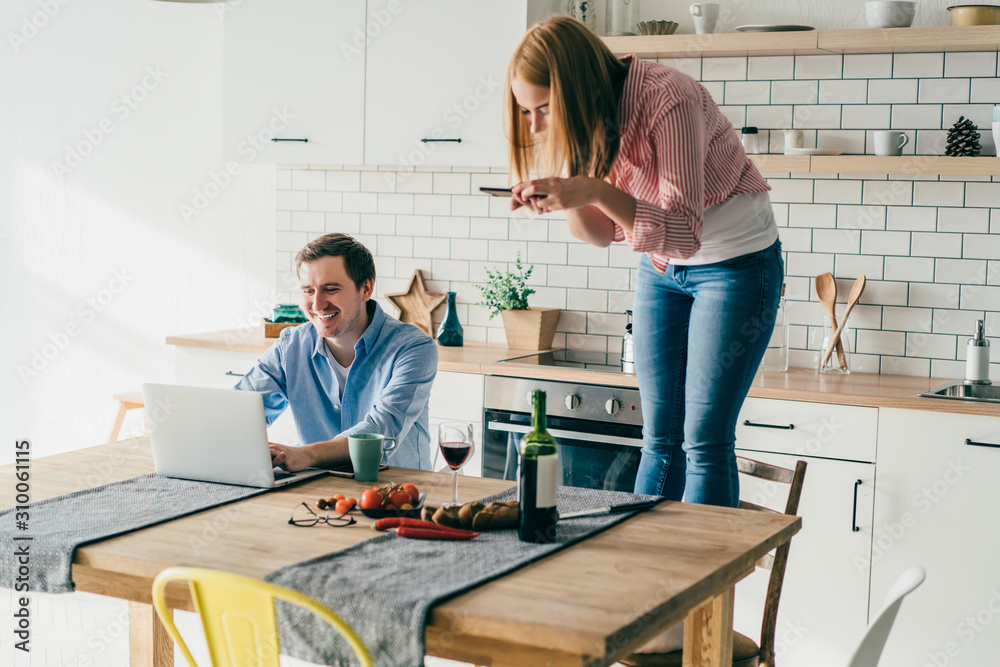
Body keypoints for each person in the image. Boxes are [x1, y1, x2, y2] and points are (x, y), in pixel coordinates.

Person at [504, 15, 783, 510]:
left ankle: (702, 581)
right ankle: (650, 575)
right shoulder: (583, 122)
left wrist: (595, 189)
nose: (537, 127)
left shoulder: (667, 97)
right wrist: (569, 196)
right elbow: (597, 235)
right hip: (659, 268)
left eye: (543, 109)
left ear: (576, 88)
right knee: (658, 436)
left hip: (735, 263)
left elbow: (683, 234)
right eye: (528, 113)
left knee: (703, 440)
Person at [235, 233, 437, 472]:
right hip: (314, 494)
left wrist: (304, 454)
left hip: (394, 496)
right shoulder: (291, 346)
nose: (318, 304)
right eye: (309, 291)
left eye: (330, 289)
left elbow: (379, 431)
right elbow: (241, 413)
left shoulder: (413, 348)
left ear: (366, 288)